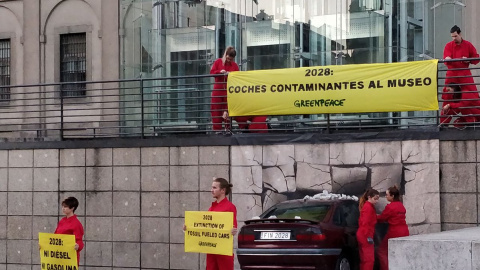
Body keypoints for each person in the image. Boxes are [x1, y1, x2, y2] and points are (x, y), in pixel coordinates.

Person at [183, 178, 237, 270]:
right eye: (212, 187)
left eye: (214, 188)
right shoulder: (211, 208)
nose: (211, 190)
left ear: (222, 190)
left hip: (223, 252)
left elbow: (233, 227)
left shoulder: (230, 207)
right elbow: (204, 227)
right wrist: (188, 228)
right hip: (211, 251)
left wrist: (233, 230)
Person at [376, 186, 409, 270]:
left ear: (392, 196)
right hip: (405, 231)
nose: (386, 196)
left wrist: (373, 216)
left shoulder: (390, 207)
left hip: (394, 231)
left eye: (387, 195)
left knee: (382, 251)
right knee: (400, 252)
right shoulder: (401, 205)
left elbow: (382, 218)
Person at [443, 25, 479, 99]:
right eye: (452, 36)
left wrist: (468, 60)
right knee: (448, 96)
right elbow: (446, 58)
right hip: (452, 73)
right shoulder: (448, 46)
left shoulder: (468, 45)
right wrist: (447, 59)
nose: (454, 38)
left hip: (464, 73)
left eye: (455, 36)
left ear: (460, 34)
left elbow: (476, 58)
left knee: (472, 94)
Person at [210, 47, 239, 133]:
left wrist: (231, 75)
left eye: (231, 59)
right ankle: (217, 130)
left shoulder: (235, 65)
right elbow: (212, 73)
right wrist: (220, 72)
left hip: (228, 91)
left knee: (228, 110)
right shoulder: (218, 62)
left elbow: (237, 77)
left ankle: (227, 129)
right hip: (218, 90)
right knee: (216, 110)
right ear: (225, 55)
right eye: (228, 58)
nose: (229, 60)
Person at [54, 197, 84, 266]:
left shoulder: (76, 224)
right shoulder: (62, 221)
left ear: (72, 208)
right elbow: (54, 236)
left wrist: (78, 246)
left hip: (69, 256)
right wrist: (45, 245)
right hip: (59, 255)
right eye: (63, 206)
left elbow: (79, 240)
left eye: (66, 207)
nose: (63, 208)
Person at [357, 188, 380, 270]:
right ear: (369, 197)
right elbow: (365, 223)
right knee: (369, 259)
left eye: (377, 199)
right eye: (375, 199)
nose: (377, 201)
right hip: (366, 234)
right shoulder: (368, 207)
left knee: (364, 259)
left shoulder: (367, 206)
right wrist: (368, 236)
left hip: (363, 234)